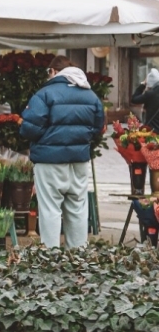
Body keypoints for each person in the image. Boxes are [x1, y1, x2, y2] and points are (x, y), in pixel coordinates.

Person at [19, 55, 105, 248]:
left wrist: (48, 135)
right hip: (79, 160)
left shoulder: (45, 94)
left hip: (49, 161)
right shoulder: (90, 95)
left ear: (53, 71)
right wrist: (80, 138)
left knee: (50, 208)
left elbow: (29, 128)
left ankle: (50, 255)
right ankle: (78, 254)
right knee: (77, 208)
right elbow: (98, 126)